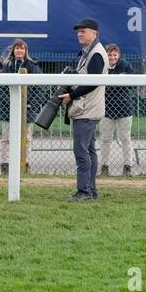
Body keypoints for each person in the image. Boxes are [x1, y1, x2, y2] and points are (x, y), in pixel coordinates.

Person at [58, 18, 108, 201]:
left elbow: (93, 82)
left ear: (94, 34)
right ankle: (91, 190)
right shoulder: (89, 52)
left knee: (81, 151)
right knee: (89, 150)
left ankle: (84, 191)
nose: (80, 34)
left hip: (87, 109)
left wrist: (71, 95)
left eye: (83, 31)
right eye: (78, 31)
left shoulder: (95, 53)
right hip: (88, 108)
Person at [0, 39, 41, 174]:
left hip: (28, 109)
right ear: (13, 51)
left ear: (26, 51)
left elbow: (39, 89)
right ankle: (5, 164)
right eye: (17, 48)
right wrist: (11, 101)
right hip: (7, 110)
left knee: (26, 139)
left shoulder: (33, 67)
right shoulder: (5, 67)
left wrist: (28, 102)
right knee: (6, 139)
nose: (20, 51)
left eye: (22, 48)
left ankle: (24, 164)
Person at [100, 43, 136, 176]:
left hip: (124, 107)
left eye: (115, 55)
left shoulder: (126, 66)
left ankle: (128, 166)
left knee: (126, 138)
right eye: (110, 55)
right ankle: (104, 166)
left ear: (119, 55)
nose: (112, 57)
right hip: (106, 108)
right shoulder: (102, 67)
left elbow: (132, 84)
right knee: (105, 138)